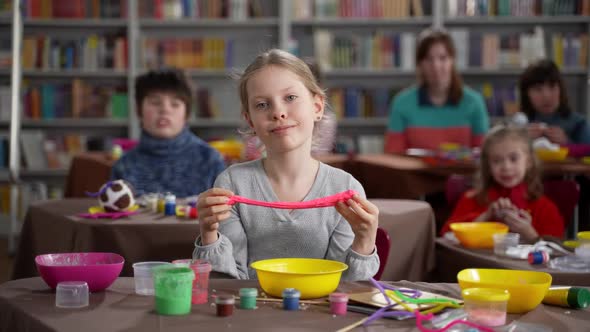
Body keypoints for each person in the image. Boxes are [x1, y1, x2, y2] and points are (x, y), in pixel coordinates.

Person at [193, 49, 379, 280]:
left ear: (317, 107)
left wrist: (364, 242)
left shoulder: (344, 188)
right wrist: (209, 234)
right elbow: (225, 284)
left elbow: (345, 289)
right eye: (262, 105)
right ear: (249, 119)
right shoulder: (232, 183)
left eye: (290, 98)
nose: (278, 112)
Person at [111, 68, 225, 197]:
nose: (165, 110)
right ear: (138, 110)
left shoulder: (210, 160)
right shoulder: (124, 166)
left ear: (186, 113)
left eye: (175, 104)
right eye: (155, 102)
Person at [441, 126, 565, 243]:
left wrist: (529, 233)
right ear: (488, 166)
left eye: (514, 158)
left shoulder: (544, 208)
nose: (506, 167)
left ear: (528, 162)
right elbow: (446, 236)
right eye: (497, 160)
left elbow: (557, 252)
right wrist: (485, 217)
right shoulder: (472, 199)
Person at [385, 29, 489, 154]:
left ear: (452, 61)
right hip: (415, 173)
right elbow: (393, 156)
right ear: (420, 64)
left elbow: (483, 156)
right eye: (429, 59)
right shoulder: (401, 103)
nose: (436, 66)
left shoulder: (474, 102)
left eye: (443, 58)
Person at [520, 59, 590, 145]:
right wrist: (521, 141)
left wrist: (567, 142)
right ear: (527, 94)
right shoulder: (520, 124)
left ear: (560, 89)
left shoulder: (579, 123)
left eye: (552, 86)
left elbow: (587, 154)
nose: (546, 96)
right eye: (538, 89)